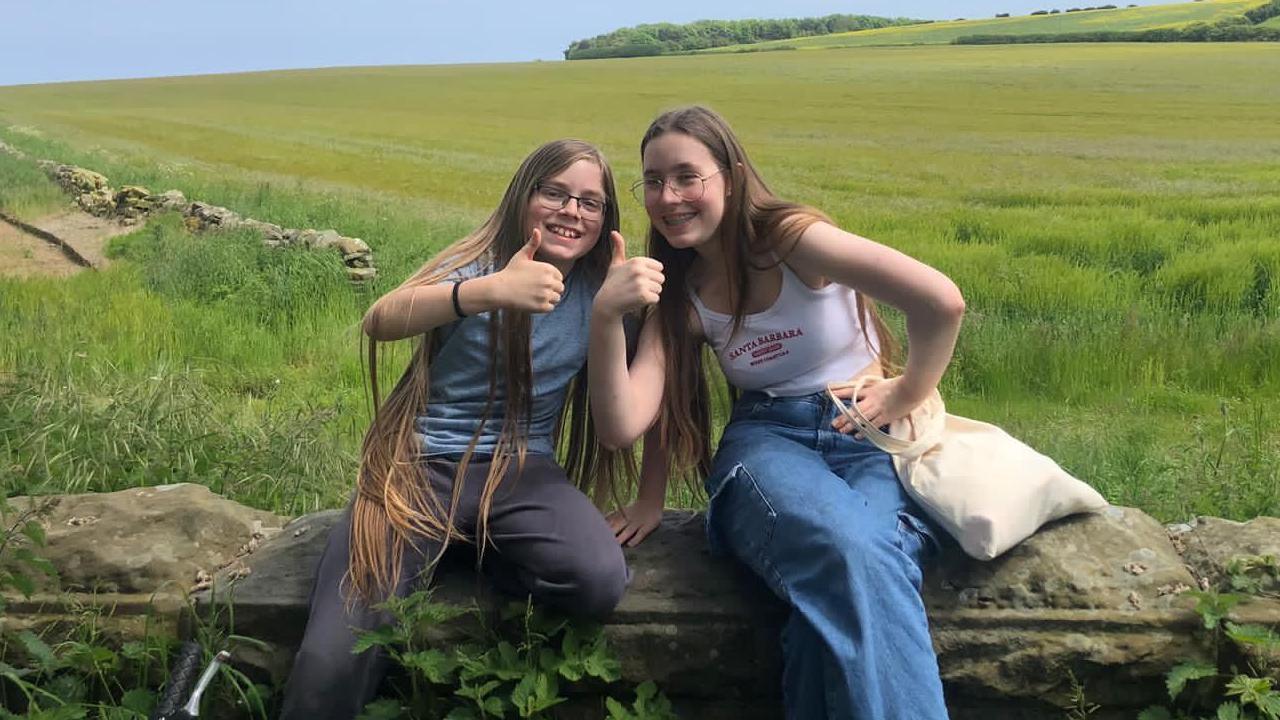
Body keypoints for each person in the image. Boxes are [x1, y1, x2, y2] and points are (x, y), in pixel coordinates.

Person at [588, 106, 965, 719]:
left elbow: (939, 300)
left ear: (732, 177)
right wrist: (606, 317)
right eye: (653, 181)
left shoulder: (793, 241)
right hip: (769, 443)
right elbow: (624, 423)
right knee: (854, 550)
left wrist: (907, 392)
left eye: (688, 176)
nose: (669, 196)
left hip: (869, 431)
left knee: (849, 575)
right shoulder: (681, 291)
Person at [281, 139, 631, 720]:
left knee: (598, 580)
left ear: (606, 218)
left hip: (524, 470)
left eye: (591, 202)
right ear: (525, 196)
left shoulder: (597, 292)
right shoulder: (480, 265)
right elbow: (380, 319)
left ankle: (468, 545)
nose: (573, 211)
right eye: (556, 193)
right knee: (333, 654)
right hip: (421, 466)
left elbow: (643, 388)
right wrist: (487, 294)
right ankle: (438, 542)